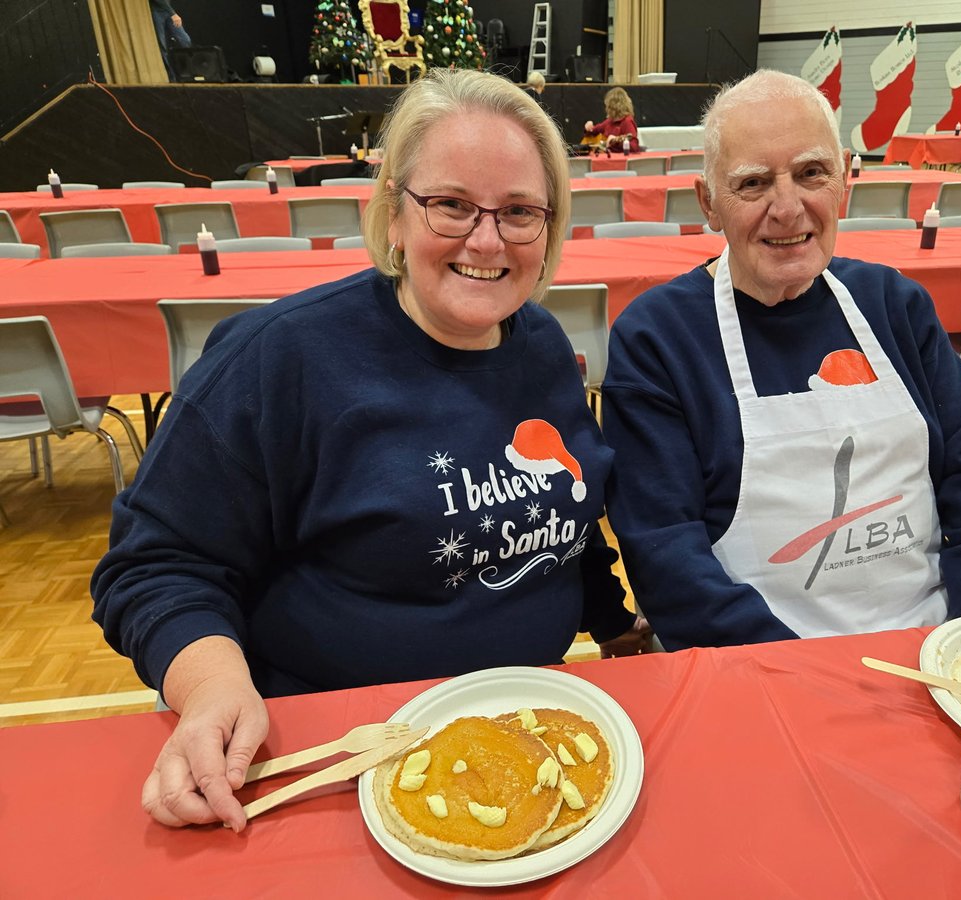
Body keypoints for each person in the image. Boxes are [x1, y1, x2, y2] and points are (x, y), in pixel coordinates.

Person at [91, 67, 651, 833]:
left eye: (520, 211)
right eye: (451, 205)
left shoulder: (545, 347)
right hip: (330, 748)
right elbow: (157, 564)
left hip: (521, 733)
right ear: (393, 210)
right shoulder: (277, 357)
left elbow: (563, 520)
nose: (486, 240)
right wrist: (213, 687)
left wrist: (615, 623)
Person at [602, 69, 961, 652]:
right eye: (754, 183)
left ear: (843, 179)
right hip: (759, 668)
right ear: (709, 203)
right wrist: (805, 680)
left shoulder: (894, 305)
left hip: (936, 645)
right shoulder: (658, 338)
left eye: (811, 173)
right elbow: (666, 555)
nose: (787, 208)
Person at [584, 86, 639, 152]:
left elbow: (634, 147)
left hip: (620, 161)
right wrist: (588, 128)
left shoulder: (627, 122)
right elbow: (593, 131)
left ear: (612, 106)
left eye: (607, 105)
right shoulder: (609, 121)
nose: (606, 108)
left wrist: (616, 141)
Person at [149, 0, 192, 81]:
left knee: (185, 40)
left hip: (167, 9)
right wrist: (172, 13)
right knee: (162, 47)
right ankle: (171, 78)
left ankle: (187, 73)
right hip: (156, 11)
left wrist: (171, 12)